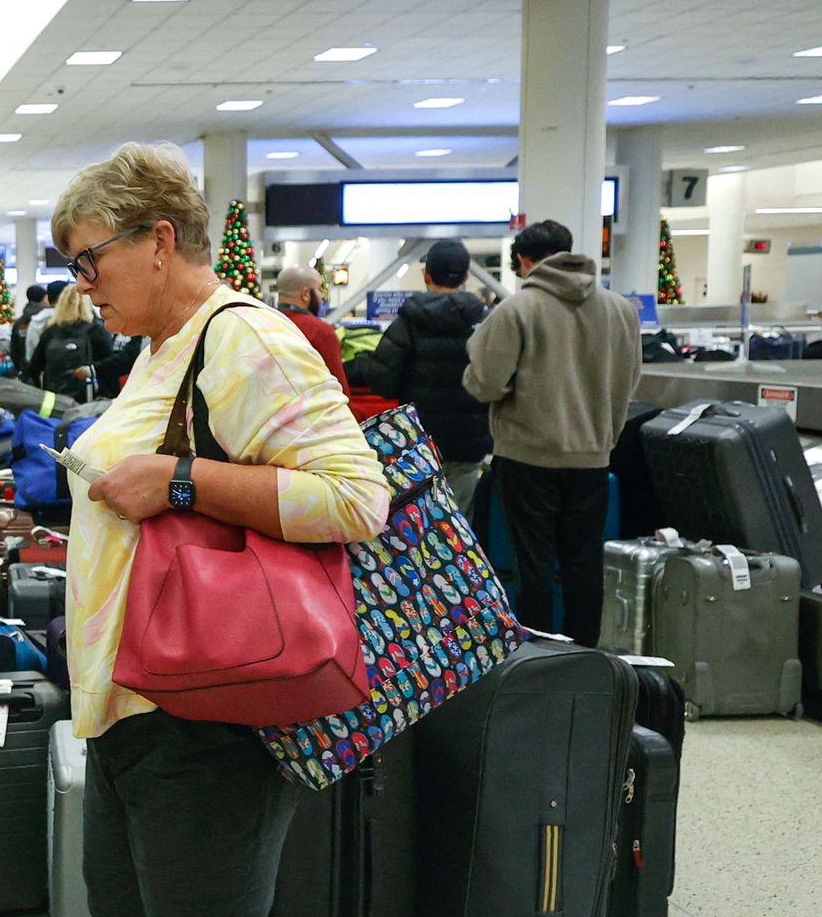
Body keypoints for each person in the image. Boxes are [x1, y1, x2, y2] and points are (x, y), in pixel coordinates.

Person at [18, 142, 389, 917]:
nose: (84, 288)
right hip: (135, 704)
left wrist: (179, 479)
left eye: (91, 263)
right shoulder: (162, 347)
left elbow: (354, 499)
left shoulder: (247, 340)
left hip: (210, 713)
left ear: (159, 240)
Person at [463, 219, 640, 646]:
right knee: (584, 563)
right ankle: (586, 655)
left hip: (527, 457)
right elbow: (631, 379)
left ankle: (539, 657)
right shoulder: (619, 309)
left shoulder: (518, 310)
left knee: (532, 565)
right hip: (593, 459)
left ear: (524, 260)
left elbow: (484, 382)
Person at [358, 241, 490, 510]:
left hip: (419, 439)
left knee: (422, 519)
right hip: (470, 440)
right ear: (466, 277)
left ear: (426, 275)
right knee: (462, 517)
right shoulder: (483, 322)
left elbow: (382, 381)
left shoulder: (407, 323)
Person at [27, 286, 115, 399]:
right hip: (88, 402)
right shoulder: (96, 331)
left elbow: (34, 368)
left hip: (55, 401)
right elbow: (109, 367)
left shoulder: (50, 332)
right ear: (86, 304)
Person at [273, 266, 349, 391]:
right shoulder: (320, 332)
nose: (321, 296)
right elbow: (339, 388)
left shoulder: (263, 323)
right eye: (319, 289)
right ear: (306, 294)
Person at [24, 280, 67, 375]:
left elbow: (29, 355)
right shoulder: (71, 321)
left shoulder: (36, 321)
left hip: (42, 376)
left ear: (48, 298)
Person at [10, 283, 49, 369]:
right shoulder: (48, 319)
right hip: (44, 369)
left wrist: (19, 367)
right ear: (43, 298)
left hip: (25, 368)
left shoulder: (19, 322)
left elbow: (14, 349)